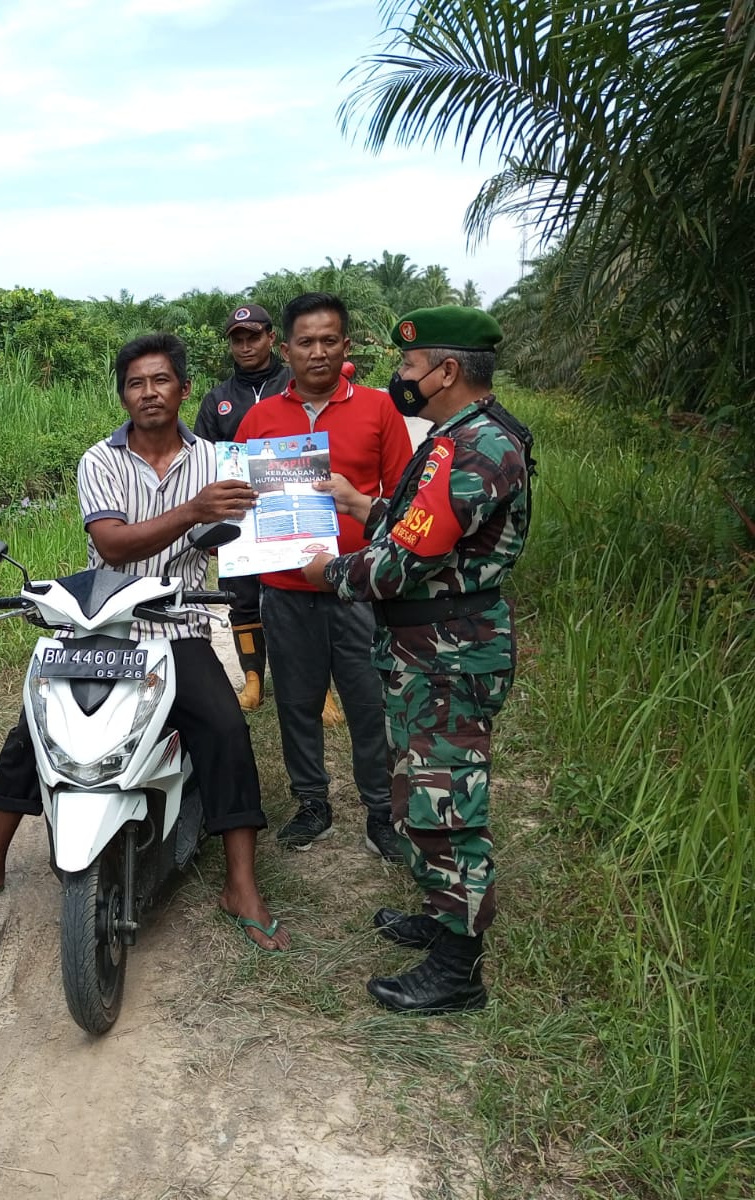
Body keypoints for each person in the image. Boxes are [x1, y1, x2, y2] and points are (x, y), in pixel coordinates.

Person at [0, 333, 287, 951]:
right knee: (33, 730)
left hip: (178, 625)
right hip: (104, 626)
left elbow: (257, 520)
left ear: (184, 387)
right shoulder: (99, 460)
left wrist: (277, 530)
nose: (148, 392)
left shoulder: (219, 460)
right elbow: (114, 545)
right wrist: (195, 512)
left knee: (225, 728)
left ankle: (241, 884)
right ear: (123, 393)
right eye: (135, 383)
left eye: (160, 380)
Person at [305, 305, 532, 1014]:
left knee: (448, 806)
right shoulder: (454, 438)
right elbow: (426, 534)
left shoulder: (479, 448)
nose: (401, 378)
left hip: (450, 656)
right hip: (425, 650)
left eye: (408, 366)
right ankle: (441, 915)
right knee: (420, 793)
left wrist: (326, 574)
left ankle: (458, 970)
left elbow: (401, 565)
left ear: (447, 371)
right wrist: (361, 504)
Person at [236, 293, 414, 863]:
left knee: (368, 702)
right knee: (297, 701)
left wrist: (358, 502)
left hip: (359, 587)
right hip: (286, 592)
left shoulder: (378, 409)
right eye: (306, 343)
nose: (318, 352)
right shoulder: (260, 420)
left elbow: (406, 502)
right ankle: (312, 802)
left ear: (347, 346)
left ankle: (381, 811)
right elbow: (240, 503)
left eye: (329, 341)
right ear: (285, 349)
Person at [193, 303, 291, 713]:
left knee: (295, 595)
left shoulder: (296, 383)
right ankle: (252, 679)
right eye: (238, 339)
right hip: (238, 516)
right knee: (242, 597)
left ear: (271, 337)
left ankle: (312, 684)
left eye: (254, 336)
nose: (246, 345)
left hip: (290, 511)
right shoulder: (217, 400)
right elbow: (202, 463)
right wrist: (211, 526)